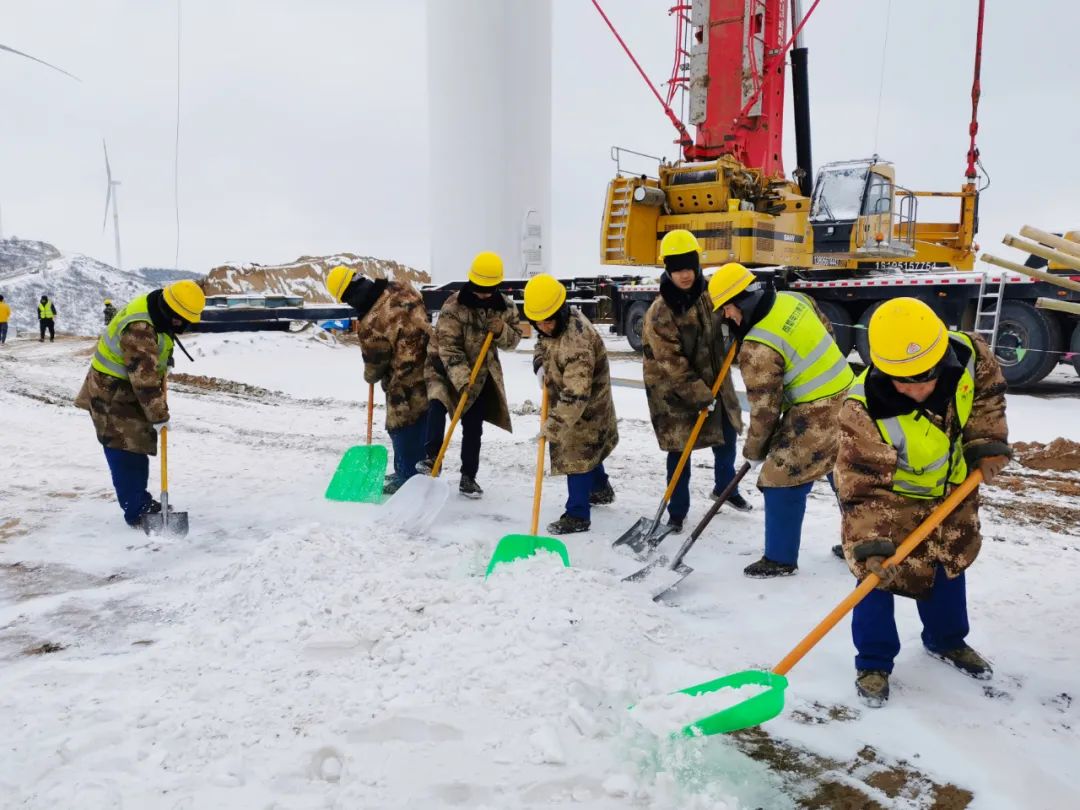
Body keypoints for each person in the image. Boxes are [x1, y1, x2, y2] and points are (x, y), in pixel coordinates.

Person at [835, 297, 1010, 707]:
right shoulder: (861, 408)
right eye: (902, 381)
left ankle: (947, 641)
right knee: (875, 576)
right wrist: (871, 542)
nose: (915, 389)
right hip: (889, 501)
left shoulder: (969, 356)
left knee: (950, 562)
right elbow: (859, 486)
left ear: (942, 358)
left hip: (953, 490)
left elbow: (987, 397)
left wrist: (986, 444)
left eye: (924, 378)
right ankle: (874, 662)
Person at [708, 262, 854, 577]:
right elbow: (827, 331)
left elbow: (765, 410)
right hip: (849, 391)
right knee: (841, 470)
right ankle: (861, 540)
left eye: (727, 309)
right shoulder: (794, 300)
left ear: (742, 302)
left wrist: (754, 452)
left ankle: (780, 558)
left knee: (780, 477)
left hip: (818, 409)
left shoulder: (757, 345)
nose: (726, 316)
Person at [74, 280, 206, 528]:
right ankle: (136, 509)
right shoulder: (140, 329)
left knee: (136, 446)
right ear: (169, 310)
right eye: (179, 321)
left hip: (124, 388)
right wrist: (160, 416)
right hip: (110, 394)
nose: (182, 326)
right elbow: (144, 382)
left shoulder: (155, 306)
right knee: (124, 449)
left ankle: (140, 500)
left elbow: (151, 358)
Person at [642, 229, 747, 534]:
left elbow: (730, 320)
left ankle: (725, 488)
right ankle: (677, 512)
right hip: (673, 392)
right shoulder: (660, 312)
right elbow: (671, 362)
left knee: (727, 436)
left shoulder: (713, 292)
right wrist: (700, 394)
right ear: (668, 271)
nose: (685, 275)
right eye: (677, 270)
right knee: (681, 451)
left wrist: (735, 325)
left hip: (715, 378)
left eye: (688, 268)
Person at [418, 251, 524, 498]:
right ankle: (432, 458)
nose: (483, 294)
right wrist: (463, 379)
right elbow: (448, 347)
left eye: (489, 290)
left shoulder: (504, 307)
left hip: (481, 370)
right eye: (479, 288)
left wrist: (502, 331)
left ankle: (468, 476)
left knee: (473, 423)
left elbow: (515, 340)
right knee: (437, 404)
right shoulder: (453, 306)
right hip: (444, 366)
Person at [525, 274, 618, 534]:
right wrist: (539, 366)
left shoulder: (578, 340)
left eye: (548, 321)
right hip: (573, 399)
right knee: (590, 451)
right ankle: (599, 488)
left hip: (587, 406)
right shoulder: (552, 324)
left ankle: (577, 515)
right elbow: (542, 344)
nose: (543, 326)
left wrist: (552, 427)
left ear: (561, 311)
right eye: (538, 323)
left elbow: (576, 396)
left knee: (576, 452)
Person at [325, 265, 431, 494]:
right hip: (433, 365)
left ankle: (408, 475)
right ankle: (420, 467)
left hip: (405, 380)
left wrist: (370, 376)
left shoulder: (370, 322)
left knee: (400, 425)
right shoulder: (401, 287)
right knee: (424, 419)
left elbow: (376, 362)